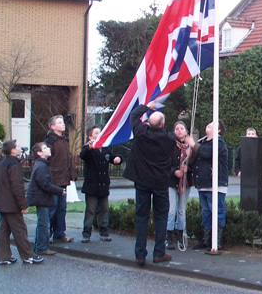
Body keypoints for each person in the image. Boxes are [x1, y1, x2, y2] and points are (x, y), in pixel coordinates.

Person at [123, 102, 176, 266]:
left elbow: (133, 116)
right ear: (163, 124)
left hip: (142, 181)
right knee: (161, 217)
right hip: (160, 182)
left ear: (148, 124)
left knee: (142, 217)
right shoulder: (168, 139)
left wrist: (147, 106)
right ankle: (159, 252)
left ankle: (140, 254)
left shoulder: (141, 133)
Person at [0, 139, 44, 265]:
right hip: (12, 204)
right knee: (20, 230)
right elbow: (17, 187)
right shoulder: (14, 165)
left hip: (2, 202)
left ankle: (4, 256)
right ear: (12, 150)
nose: (19, 148)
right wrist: (23, 205)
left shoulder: (2, 164)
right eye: (17, 146)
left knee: (3, 231)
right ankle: (28, 255)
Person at [189, 120, 229, 251]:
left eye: (212, 124)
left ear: (218, 130)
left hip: (215, 184)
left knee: (216, 211)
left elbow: (207, 153)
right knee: (206, 212)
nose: (209, 124)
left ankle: (217, 241)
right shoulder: (203, 142)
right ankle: (206, 240)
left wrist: (194, 145)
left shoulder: (219, 142)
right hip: (203, 184)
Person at [79, 126, 123, 243]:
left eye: (100, 132)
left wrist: (118, 158)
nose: (99, 134)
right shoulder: (89, 149)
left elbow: (112, 156)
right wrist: (89, 148)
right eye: (96, 133)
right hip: (92, 186)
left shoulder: (105, 148)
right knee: (90, 210)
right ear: (90, 137)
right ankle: (86, 233)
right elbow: (83, 155)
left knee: (104, 209)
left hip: (103, 185)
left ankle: (104, 232)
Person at [26, 142, 65, 256]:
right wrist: (59, 190)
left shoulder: (42, 164)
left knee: (42, 223)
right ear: (39, 153)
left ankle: (39, 246)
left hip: (41, 198)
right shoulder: (41, 166)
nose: (48, 149)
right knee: (44, 224)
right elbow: (45, 184)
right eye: (45, 148)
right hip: (41, 198)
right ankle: (41, 248)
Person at [44, 115, 76, 243]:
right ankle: (47, 235)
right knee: (52, 209)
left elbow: (67, 160)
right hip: (53, 180)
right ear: (53, 127)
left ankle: (59, 233)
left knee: (61, 209)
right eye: (59, 123)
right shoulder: (49, 142)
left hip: (63, 179)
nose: (63, 124)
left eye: (62, 122)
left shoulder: (64, 140)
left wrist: (71, 173)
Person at [166, 121, 193, 251]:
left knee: (181, 210)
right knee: (171, 210)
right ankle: (168, 237)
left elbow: (195, 164)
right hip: (172, 181)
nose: (179, 130)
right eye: (177, 128)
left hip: (185, 183)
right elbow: (165, 163)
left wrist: (188, 168)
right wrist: (174, 171)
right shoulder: (170, 146)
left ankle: (180, 237)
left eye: (182, 128)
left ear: (186, 131)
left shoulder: (190, 148)